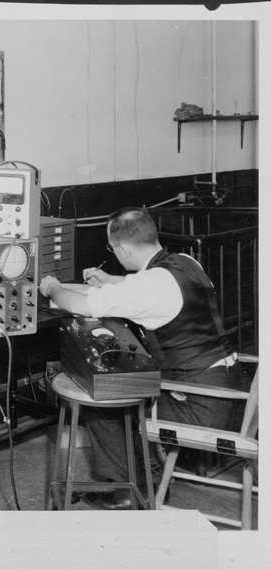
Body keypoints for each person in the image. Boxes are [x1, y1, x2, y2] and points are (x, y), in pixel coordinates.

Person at [39, 207, 251, 510]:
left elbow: (81, 305)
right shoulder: (185, 262)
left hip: (200, 403)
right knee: (124, 391)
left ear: (123, 248)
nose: (114, 253)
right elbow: (146, 285)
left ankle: (135, 487)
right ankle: (148, 475)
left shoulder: (149, 285)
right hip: (231, 390)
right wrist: (110, 279)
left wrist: (53, 287)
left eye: (113, 249)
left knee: (105, 403)